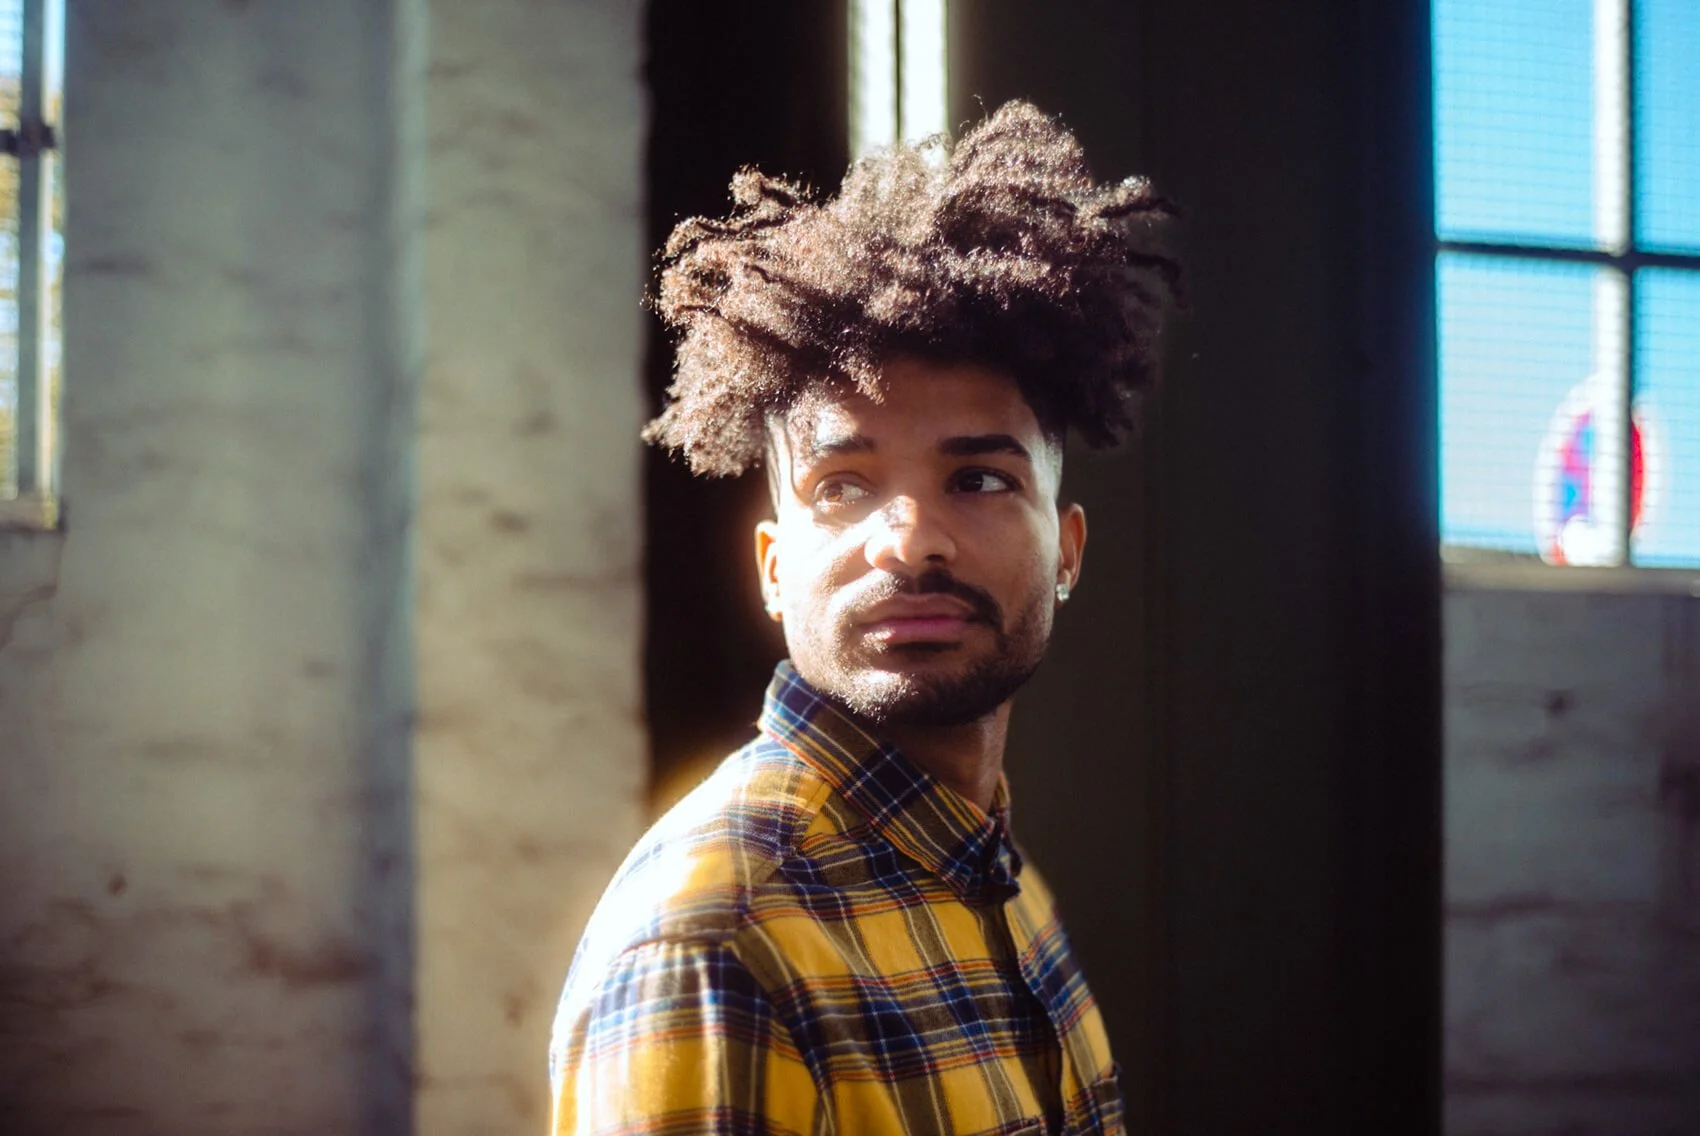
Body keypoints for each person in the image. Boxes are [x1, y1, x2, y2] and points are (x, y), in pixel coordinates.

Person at [549, 100, 1179, 1136]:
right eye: (841, 486)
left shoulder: (998, 885)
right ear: (771, 567)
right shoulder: (716, 940)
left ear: (1066, 549)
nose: (908, 541)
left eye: (977, 477)